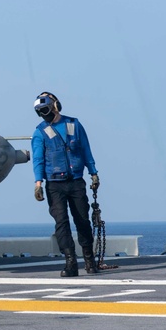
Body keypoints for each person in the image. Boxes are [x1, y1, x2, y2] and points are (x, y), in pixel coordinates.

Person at [31, 92, 100, 277]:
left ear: (55, 105)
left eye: (45, 110)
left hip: (76, 181)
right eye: (40, 112)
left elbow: (86, 149)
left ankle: (90, 261)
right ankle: (71, 263)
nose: (44, 114)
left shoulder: (74, 124)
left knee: (82, 221)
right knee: (61, 224)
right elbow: (38, 159)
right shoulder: (39, 132)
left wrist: (93, 173)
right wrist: (38, 183)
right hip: (54, 185)